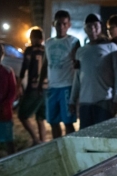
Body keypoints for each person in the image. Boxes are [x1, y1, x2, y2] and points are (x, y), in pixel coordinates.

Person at [70, 14, 117, 129]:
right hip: (85, 103)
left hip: (104, 102)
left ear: (101, 27)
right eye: (89, 26)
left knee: (104, 137)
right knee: (86, 138)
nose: (92, 29)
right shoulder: (81, 51)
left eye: (95, 26)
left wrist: (116, 100)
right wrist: (72, 100)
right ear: (85, 29)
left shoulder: (111, 47)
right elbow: (77, 78)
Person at [38, 10, 80, 138]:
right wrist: (41, 82)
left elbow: (78, 64)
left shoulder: (74, 41)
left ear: (69, 25)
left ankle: (70, 149)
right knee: (53, 121)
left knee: (68, 123)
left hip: (67, 86)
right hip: (52, 88)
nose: (61, 27)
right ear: (53, 24)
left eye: (64, 24)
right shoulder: (49, 42)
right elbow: (46, 63)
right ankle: (58, 147)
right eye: (58, 24)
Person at [18, 28, 47, 145]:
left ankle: (36, 139)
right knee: (40, 118)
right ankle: (43, 142)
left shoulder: (30, 50)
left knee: (22, 115)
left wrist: (18, 84)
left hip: (34, 87)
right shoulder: (46, 50)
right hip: (47, 87)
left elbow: (24, 67)